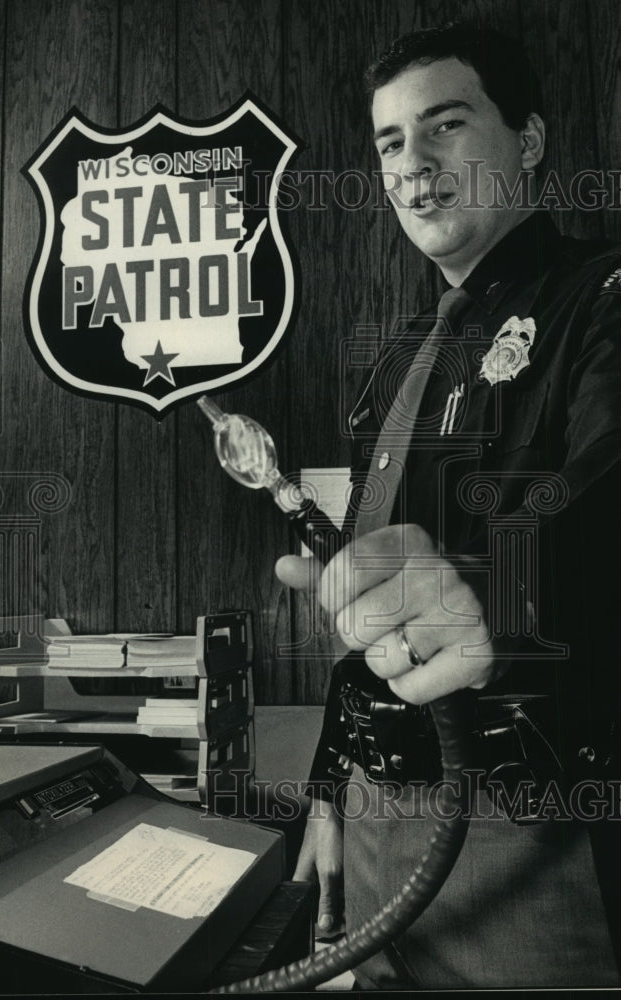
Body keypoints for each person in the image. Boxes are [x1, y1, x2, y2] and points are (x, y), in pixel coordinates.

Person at [275, 24, 621, 990]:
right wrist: (328, 789)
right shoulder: (388, 371)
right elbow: (371, 607)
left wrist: (492, 589)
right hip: (376, 825)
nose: (412, 165)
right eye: (388, 143)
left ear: (530, 140)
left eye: (446, 125)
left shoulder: (600, 297)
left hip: (533, 832)